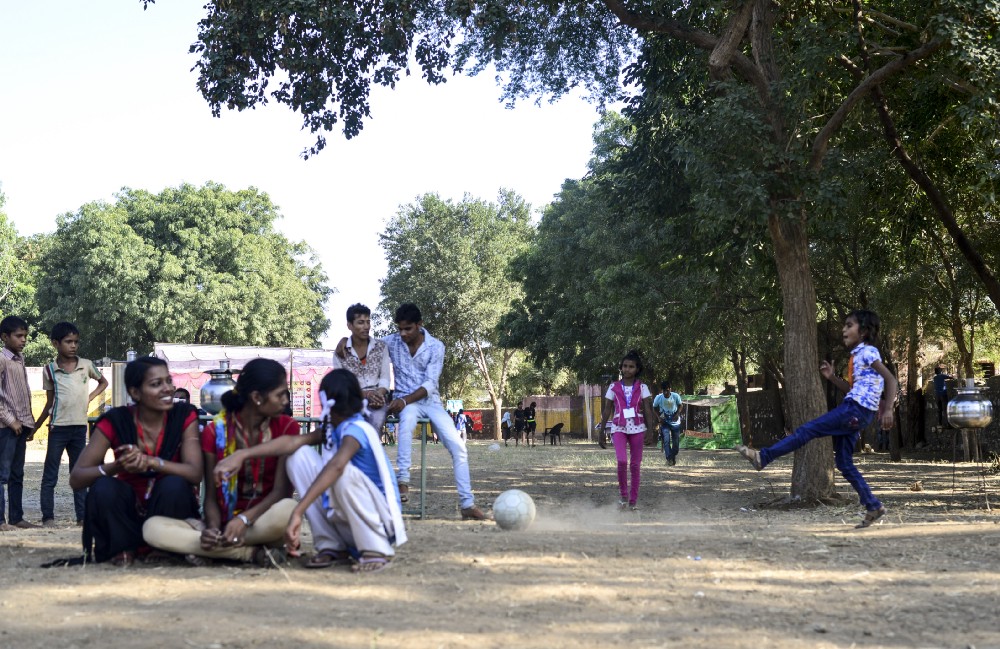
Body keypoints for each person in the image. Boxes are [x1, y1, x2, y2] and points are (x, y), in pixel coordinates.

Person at [214, 369, 407, 573]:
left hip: (380, 524)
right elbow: (292, 442)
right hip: (351, 519)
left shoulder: (356, 430)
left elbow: (337, 466)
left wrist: (298, 511)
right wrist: (243, 455)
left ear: (327, 402)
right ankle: (333, 546)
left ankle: (375, 550)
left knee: (340, 473)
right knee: (298, 456)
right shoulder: (335, 428)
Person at [735, 309, 897, 529]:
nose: (844, 329)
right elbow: (853, 388)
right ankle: (873, 506)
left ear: (865, 331)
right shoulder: (858, 355)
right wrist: (832, 378)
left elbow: (890, 378)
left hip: (854, 410)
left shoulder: (867, 352)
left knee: (807, 430)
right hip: (858, 411)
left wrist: (888, 409)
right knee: (844, 463)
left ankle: (764, 457)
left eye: (849, 325)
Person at [143, 358, 299, 566]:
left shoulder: (288, 427)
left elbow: (280, 491)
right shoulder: (215, 432)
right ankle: (247, 554)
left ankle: (212, 550)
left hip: (262, 523)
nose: (285, 402)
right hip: (225, 524)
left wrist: (243, 520)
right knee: (152, 528)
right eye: (280, 395)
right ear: (257, 398)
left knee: (287, 509)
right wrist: (212, 528)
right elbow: (211, 498)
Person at [69, 357, 203, 565]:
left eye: (168, 381)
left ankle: (164, 549)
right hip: (127, 517)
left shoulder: (184, 416)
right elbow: (77, 479)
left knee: (174, 484)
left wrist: (152, 462)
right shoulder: (116, 420)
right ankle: (121, 549)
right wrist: (116, 466)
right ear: (135, 393)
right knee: (104, 487)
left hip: (166, 518)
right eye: (156, 384)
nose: (167, 389)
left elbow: (195, 473)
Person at [384, 304, 485, 520]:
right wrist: (344, 341)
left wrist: (403, 400)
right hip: (407, 404)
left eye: (408, 329)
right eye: (400, 329)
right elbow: (366, 344)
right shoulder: (391, 341)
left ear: (419, 325)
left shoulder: (436, 346)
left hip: (431, 402)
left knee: (458, 447)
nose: (403, 334)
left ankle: (467, 504)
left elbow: (430, 384)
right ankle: (403, 482)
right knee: (407, 422)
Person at [34, 322, 109, 527]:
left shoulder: (86, 365)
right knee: (50, 475)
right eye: (68, 342)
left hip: (78, 428)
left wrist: (90, 398)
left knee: (79, 473)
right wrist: (37, 426)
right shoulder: (49, 370)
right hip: (57, 428)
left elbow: (104, 382)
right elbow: (49, 402)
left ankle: (82, 517)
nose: (73, 345)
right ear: (55, 344)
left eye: (76, 341)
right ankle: (48, 518)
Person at [597, 350, 657, 511]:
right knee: (622, 461)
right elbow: (607, 410)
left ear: (637, 369)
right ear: (621, 368)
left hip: (637, 428)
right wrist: (602, 431)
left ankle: (633, 501)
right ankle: (623, 496)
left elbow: (648, 410)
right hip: (618, 428)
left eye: (631, 366)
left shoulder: (643, 387)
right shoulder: (613, 387)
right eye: (625, 366)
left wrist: (650, 431)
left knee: (635, 465)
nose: (627, 369)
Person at [0, 316, 39, 530]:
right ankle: (1, 521)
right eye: (19, 336)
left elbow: (22, 394)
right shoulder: (2, 360)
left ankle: (17, 517)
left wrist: (27, 423)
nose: (23, 340)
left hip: (21, 426)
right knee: (2, 474)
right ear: (5, 337)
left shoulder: (19, 358)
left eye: (25, 336)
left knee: (17, 474)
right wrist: (11, 420)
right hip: (5, 427)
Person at [333, 304, 392, 434]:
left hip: (377, 400)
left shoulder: (381, 347)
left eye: (368, 322)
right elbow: (341, 384)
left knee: (373, 429)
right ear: (349, 325)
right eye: (361, 323)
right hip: (351, 400)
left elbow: (385, 378)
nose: (366, 327)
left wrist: (378, 395)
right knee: (350, 432)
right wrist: (366, 395)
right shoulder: (340, 352)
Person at [653, 381, 683, 466]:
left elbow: (681, 405)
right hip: (664, 420)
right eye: (663, 391)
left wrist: (677, 414)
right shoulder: (658, 398)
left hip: (675, 420)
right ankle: (669, 458)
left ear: (670, 389)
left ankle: (672, 457)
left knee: (676, 444)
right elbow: (654, 408)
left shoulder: (676, 396)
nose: (665, 393)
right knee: (666, 440)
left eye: (667, 390)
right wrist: (659, 417)